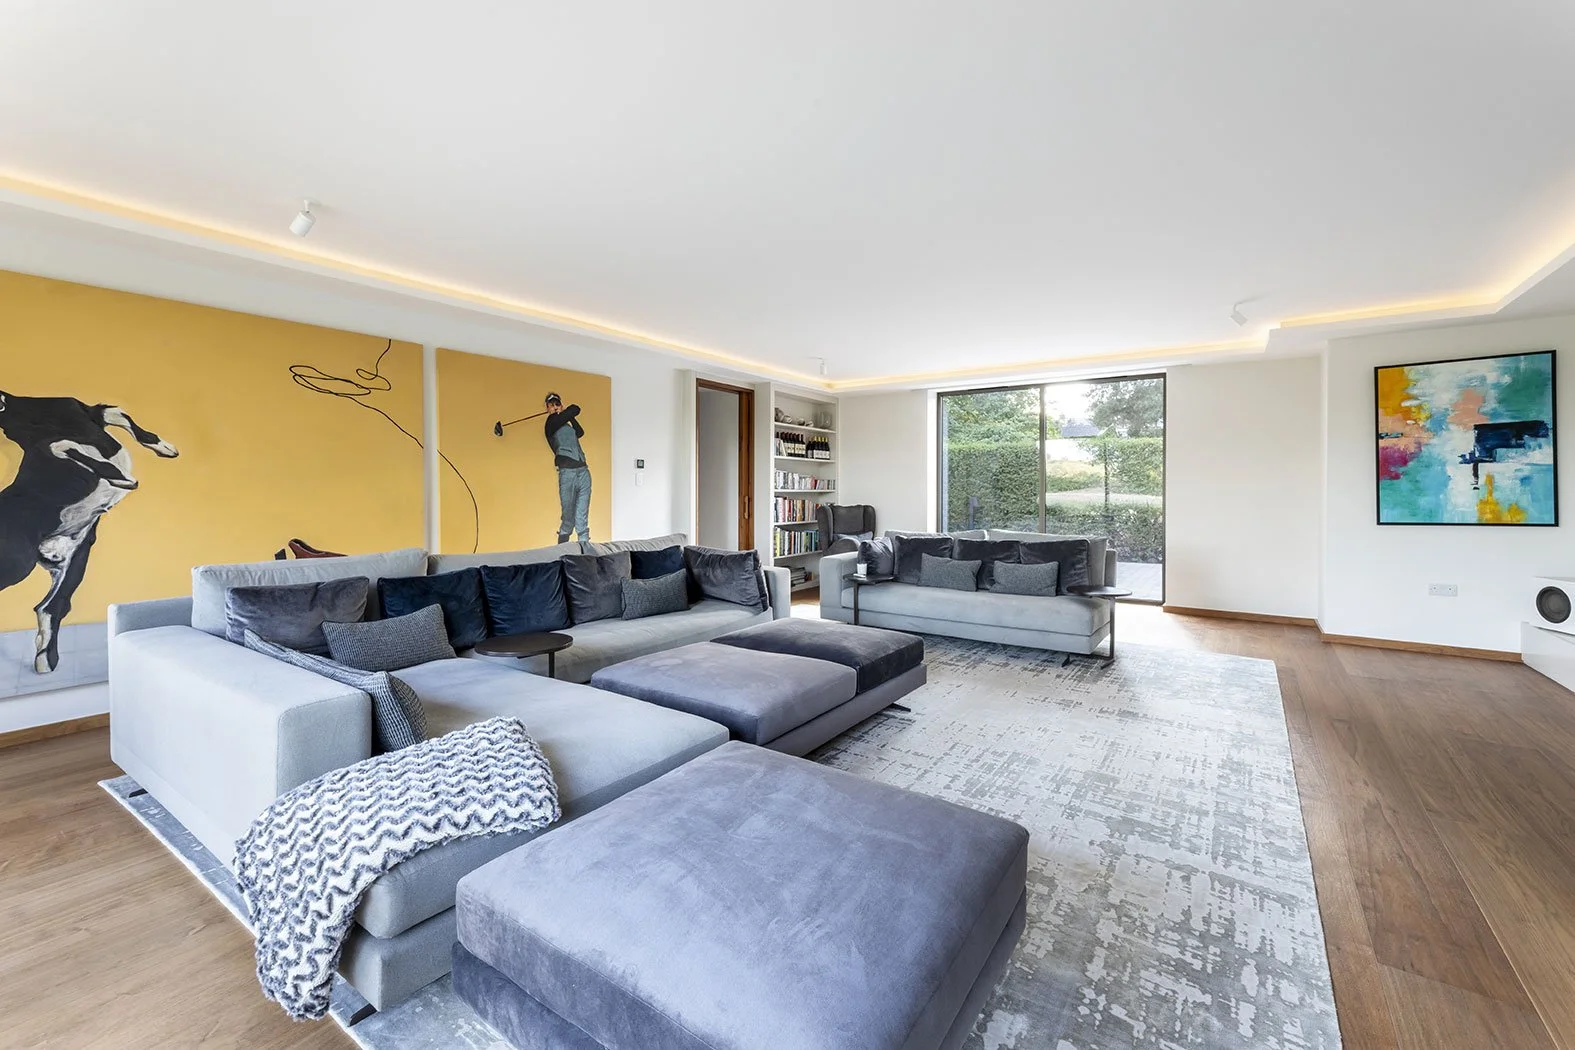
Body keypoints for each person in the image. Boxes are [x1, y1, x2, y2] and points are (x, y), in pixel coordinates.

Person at [542, 392, 591, 543]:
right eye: (551, 405)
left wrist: (568, 416)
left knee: (582, 520)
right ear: (547, 408)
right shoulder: (550, 424)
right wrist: (564, 413)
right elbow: (575, 408)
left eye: (557, 404)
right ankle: (562, 552)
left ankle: (585, 552)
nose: (555, 407)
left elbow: (580, 432)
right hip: (567, 474)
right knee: (568, 520)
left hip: (583, 471)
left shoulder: (566, 423)